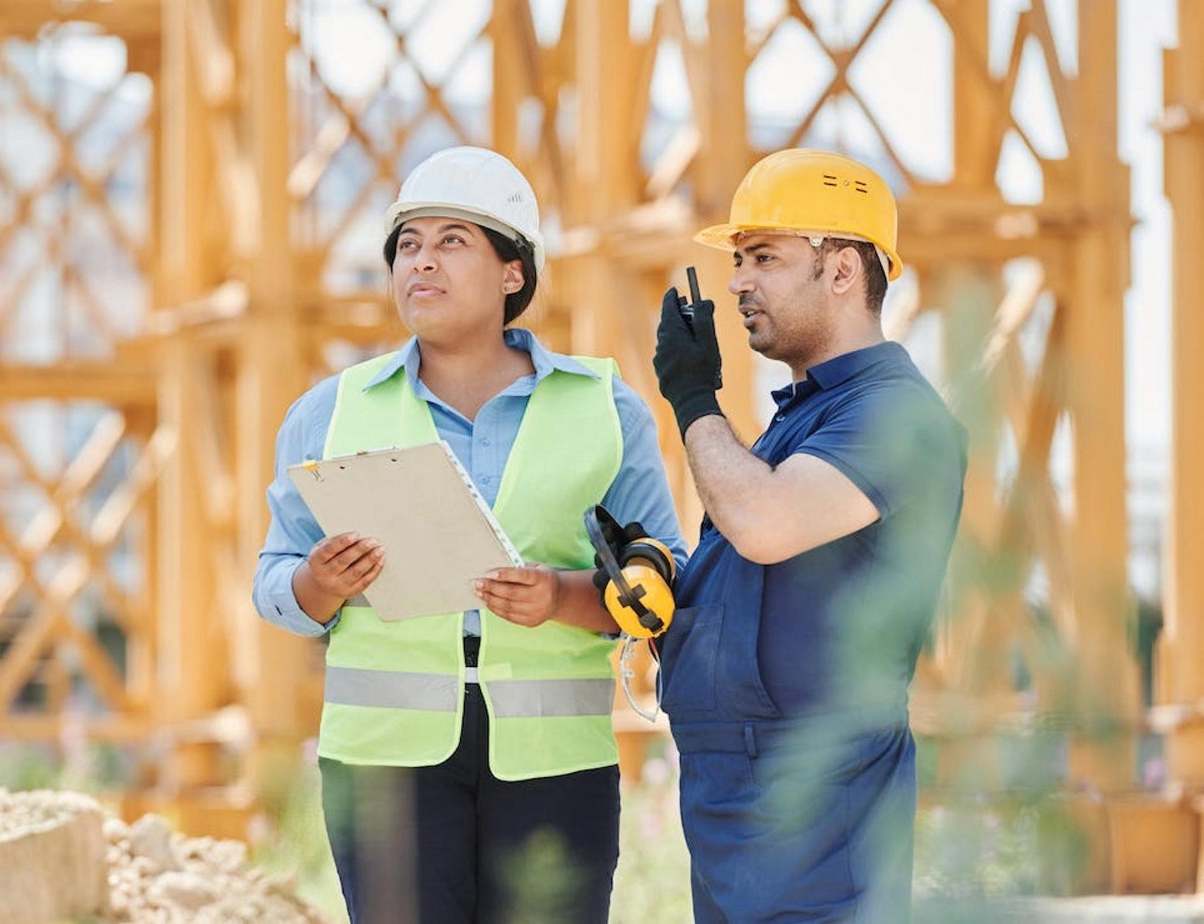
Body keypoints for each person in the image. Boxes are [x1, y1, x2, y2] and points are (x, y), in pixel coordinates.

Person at [252, 145, 686, 924]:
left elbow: (664, 582)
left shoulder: (605, 410)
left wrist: (561, 596)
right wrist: (319, 583)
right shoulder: (329, 412)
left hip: (555, 763)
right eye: (408, 246)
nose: (422, 263)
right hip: (384, 766)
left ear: (513, 272)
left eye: (452, 241)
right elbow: (272, 580)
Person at [647, 148, 967, 922]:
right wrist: (658, 575)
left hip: (820, 810)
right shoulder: (797, 426)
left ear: (842, 270)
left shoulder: (896, 415)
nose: (736, 282)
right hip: (737, 802)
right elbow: (751, 573)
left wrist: (693, 397)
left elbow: (766, 523)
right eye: (737, 260)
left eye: (763, 257)